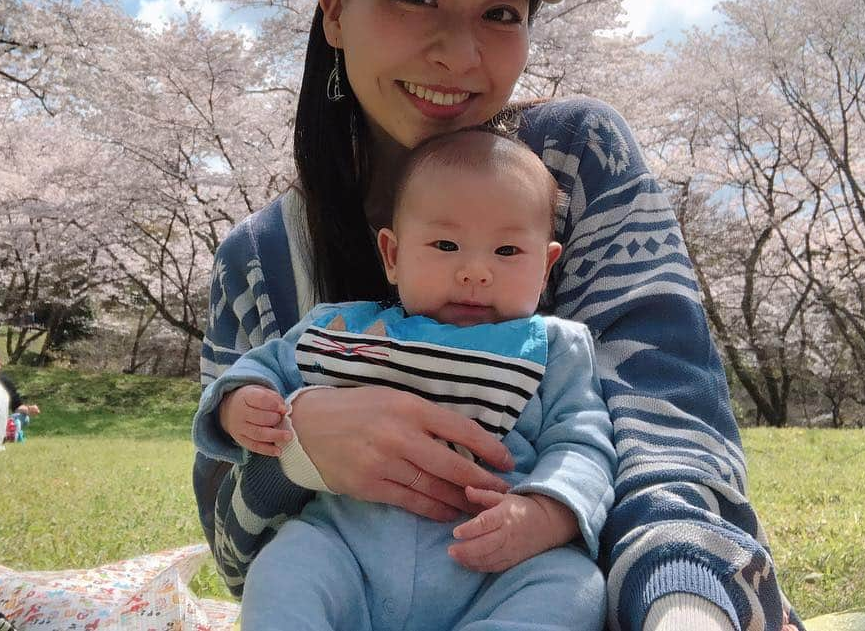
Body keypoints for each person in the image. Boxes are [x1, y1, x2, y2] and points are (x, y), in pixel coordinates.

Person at [193, 0, 801, 631]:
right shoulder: (258, 260)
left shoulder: (575, 162)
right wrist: (299, 444)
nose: (461, 52)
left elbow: (667, 426)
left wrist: (681, 603)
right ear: (335, 12)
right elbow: (237, 553)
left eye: (501, 12)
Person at [195, 129, 616, 630]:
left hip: (493, 568)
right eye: (445, 244)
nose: (475, 271)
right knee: (285, 567)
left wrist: (549, 512)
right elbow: (269, 364)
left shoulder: (554, 348)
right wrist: (241, 401)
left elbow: (583, 440)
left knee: (575, 588)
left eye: (507, 251)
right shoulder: (342, 328)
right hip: (349, 550)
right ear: (392, 255)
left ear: (546, 266)